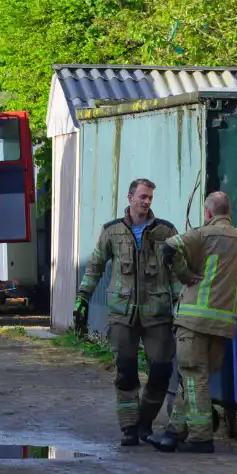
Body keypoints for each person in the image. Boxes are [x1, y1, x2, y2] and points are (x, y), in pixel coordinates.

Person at [150, 191, 237, 454]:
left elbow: (168, 247)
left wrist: (184, 274)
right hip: (223, 324)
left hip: (194, 320)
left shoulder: (202, 234)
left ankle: (201, 437)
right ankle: (173, 432)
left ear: (208, 213)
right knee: (197, 379)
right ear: (229, 212)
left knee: (193, 377)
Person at [73, 178, 179, 446]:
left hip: (157, 313)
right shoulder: (112, 231)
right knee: (126, 373)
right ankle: (129, 428)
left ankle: (145, 421)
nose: (146, 202)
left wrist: (180, 303)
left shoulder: (166, 231)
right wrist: (82, 298)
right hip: (123, 314)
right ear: (130, 198)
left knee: (161, 370)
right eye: (142, 197)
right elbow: (95, 266)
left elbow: (178, 269)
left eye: (150, 198)